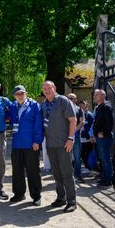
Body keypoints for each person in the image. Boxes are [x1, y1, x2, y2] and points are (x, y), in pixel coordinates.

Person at [41, 80, 77, 212]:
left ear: (54, 88)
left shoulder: (63, 101)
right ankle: (61, 198)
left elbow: (73, 121)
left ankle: (72, 201)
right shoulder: (44, 104)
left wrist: (70, 139)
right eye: (44, 89)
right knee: (56, 173)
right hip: (50, 145)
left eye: (49, 88)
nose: (46, 90)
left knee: (67, 173)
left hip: (64, 144)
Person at [9, 85, 43, 205]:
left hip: (30, 144)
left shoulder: (34, 105)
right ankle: (19, 194)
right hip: (16, 144)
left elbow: (38, 124)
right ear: (14, 96)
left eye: (22, 93)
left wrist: (37, 141)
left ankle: (36, 196)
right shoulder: (12, 106)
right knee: (17, 170)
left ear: (26, 93)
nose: (20, 95)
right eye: (17, 94)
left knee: (33, 170)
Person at [92, 89, 114, 187]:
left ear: (103, 96)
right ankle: (104, 178)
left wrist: (103, 133)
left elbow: (110, 123)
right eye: (95, 94)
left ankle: (108, 180)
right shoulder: (98, 107)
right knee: (102, 159)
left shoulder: (106, 107)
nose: (95, 96)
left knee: (106, 159)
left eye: (97, 95)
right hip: (99, 137)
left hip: (104, 138)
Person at [67, 93, 85, 183]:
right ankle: (68, 176)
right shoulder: (64, 109)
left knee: (77, 157)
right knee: (67, 157)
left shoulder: (79, 109)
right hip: (66, 137)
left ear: (76, 100)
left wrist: (73, 131)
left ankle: (78, 175)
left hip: (76, 137)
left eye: (72, 98)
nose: (70, 99)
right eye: (69, 98)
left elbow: (82, 122)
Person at [79, 100, 94, 172]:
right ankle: (87, 166)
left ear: (86, 105)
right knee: (82, 153)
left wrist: (89, 135)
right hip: (81, 137)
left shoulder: (90, 115)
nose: (81, 106)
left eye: (83, 104)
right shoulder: (81, 114)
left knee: (86, 153)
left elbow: (91, 126)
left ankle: (88, 167)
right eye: (80, 105)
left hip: (88, 138)